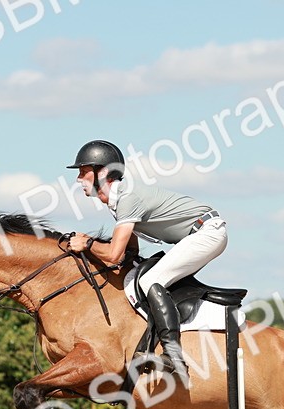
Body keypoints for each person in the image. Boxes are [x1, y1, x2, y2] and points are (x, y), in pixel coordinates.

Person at [65, 139, 227, 381]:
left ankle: (174, 356)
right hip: (198, 234)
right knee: (143, 275)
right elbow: (129, 252)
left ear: (104, 173)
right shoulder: (117, 202)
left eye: (83, 172)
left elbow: (113, 254)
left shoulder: (127, 198)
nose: (79, 179)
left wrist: (87, 244)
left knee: (151, 279)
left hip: (208, 232)